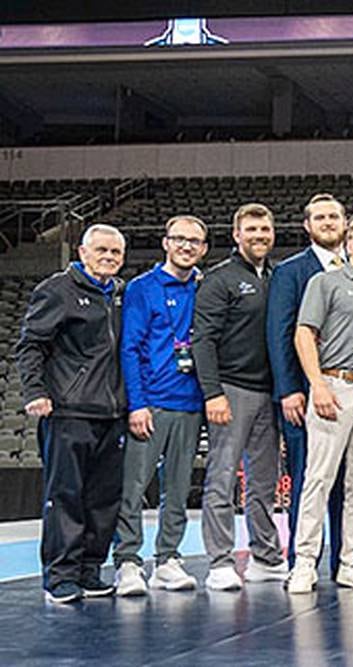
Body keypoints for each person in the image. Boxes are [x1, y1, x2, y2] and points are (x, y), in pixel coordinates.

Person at [17, 224, 129, 604]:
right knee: (65, 495)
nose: (109, 258)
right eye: (102, 250)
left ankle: (90, 571)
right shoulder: (57, 290)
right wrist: (35, 391)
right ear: (83, 252)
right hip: (68, 411)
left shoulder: (119, 293)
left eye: (116, 252)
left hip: (112, 412)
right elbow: (31, 345)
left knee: (103, 499)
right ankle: (59, 577)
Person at [287, 214, 353, 593]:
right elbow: (304, 334)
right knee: (318, 479)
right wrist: (317, 384)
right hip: (334, 384)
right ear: (348, 244)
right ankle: (303, 564)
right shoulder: (325, 282)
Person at [194, 203, 288, 591]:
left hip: (269, 393)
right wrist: (213, 393)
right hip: (231, 390)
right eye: (251, 229)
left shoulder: (278, 277)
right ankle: (219, 561)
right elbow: (202, 340)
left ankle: (265, 557)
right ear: (236, 235)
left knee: (264, 482)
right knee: (221, 478)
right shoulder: (220, 279)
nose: (259, 235)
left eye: (265, 229)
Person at [113, 214, 208, 596]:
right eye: (180, 239)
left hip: (191, 404)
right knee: (133, 487)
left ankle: (167, 557)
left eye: (195, 242)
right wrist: (137, 404)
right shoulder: (142, 288)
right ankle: (128, 562)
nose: (187, 246)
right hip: (150, 405)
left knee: (178, 487)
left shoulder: (205, 288)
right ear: (165, 242)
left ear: (203, 249)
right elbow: (130, 349)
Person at [266, 193, 350, 578]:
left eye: (334, 216)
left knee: (348, 483)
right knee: (308, 479)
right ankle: (303, 563)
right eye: (320, 217)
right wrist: (289, 389)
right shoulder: (291, 271)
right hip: (305, 394)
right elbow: (281, 333)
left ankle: (344, 563)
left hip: (351, 395)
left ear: (345, 222)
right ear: (307, 226)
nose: (329, 222)